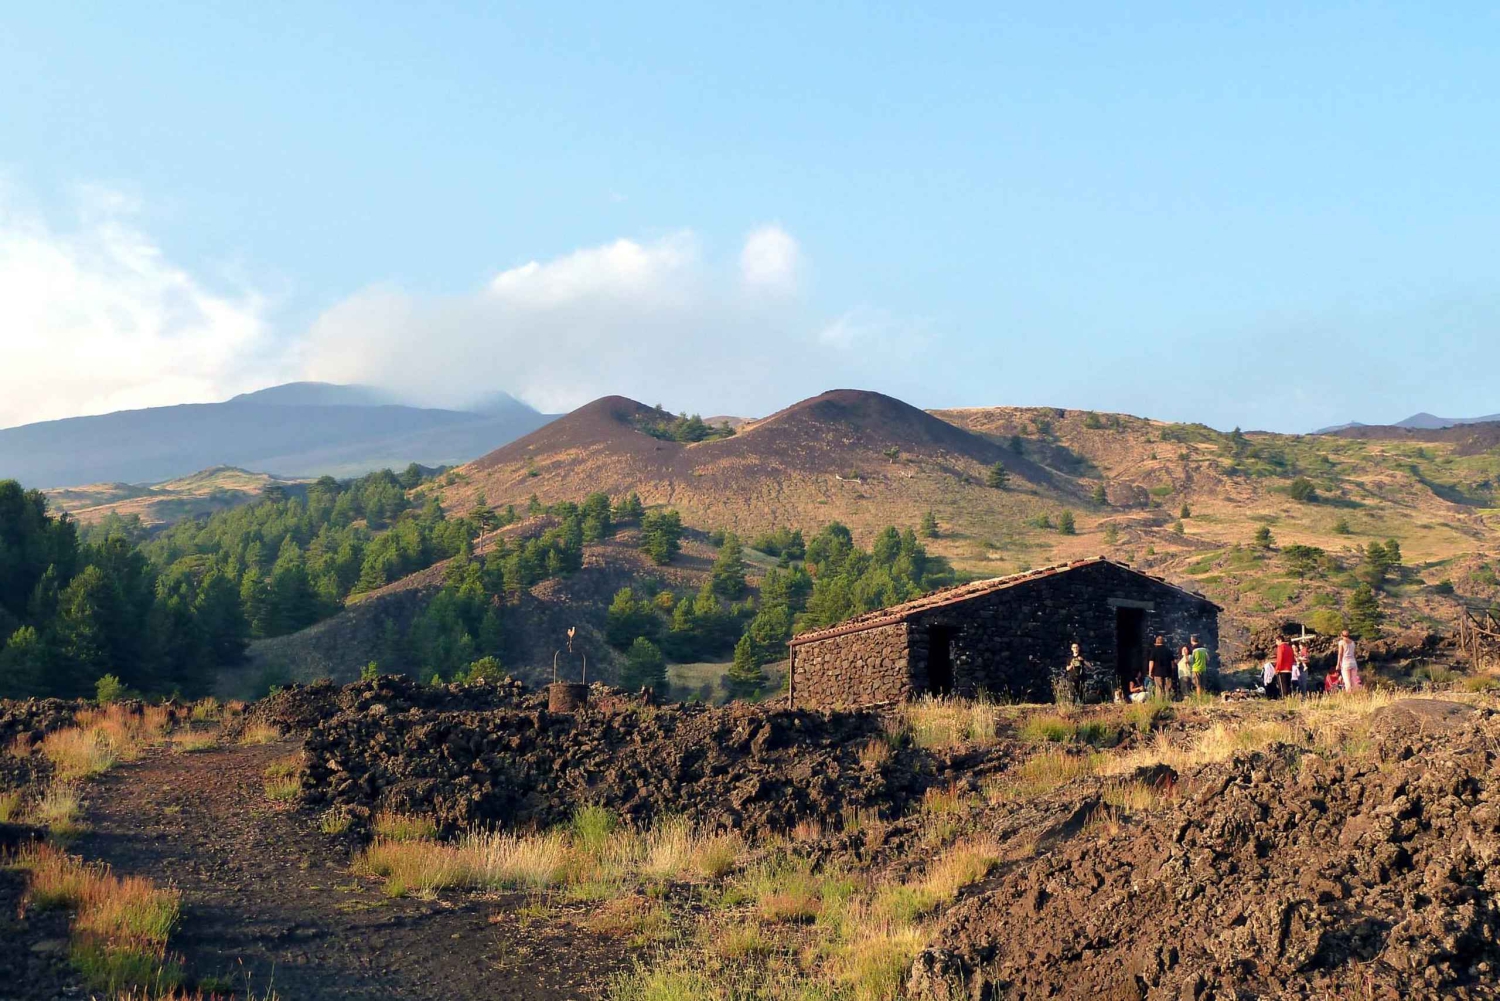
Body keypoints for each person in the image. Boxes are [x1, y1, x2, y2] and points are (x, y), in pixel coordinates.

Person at [1147, 635, 1176, 699]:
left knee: (1159, 688)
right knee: (1167, 688)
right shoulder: (1168, 650)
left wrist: (1150, 672)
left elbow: (1151, 662)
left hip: (1157, 672)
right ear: (1163, 642)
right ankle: (1167, 702)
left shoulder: (1154, 650)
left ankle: (1159, 703)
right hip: (1168, 672)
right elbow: (1172, 663)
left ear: (1156, 642)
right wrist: (1173, 670)